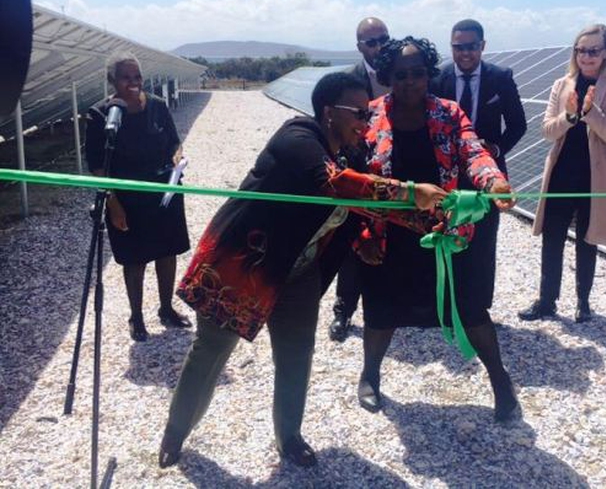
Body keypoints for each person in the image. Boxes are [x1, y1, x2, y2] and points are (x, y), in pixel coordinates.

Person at [158, 72, 446, 469]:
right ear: (328, 112)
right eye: (358, 113)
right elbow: (335, 184)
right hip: (245, 266)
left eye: (368, 113)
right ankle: (175, 434)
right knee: (211, 350)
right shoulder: (296, 138)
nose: (365, 122)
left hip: (300, 272)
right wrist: (412, 192)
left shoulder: (351, 154)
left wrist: (433, 220)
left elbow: (369, 203)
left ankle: (289, 437)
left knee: (296, 355)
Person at [356, 36, 521, 423]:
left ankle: (501, 381)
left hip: (443, 233)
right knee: (380, 311)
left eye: (417, 74)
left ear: (429, 74)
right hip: (387, 235)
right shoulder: (370, 116)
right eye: (400, 75)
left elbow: (473, 151)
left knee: (470, 309)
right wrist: (361, 233)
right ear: (387, 77)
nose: (410, 82)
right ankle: (370, 375)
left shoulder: (449, 112)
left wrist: (493, 181)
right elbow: (356, 177)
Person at [518, 24, 606, 323]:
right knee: (552, 238)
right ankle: (547, 300)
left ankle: (583, 302)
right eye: (580, 50)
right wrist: (569, 116)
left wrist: (590, 112)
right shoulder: (561, 84)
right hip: (562, 172)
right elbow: (547, 131)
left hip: (595, 177)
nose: (585, 56)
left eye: (593, 50)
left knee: (587, 240)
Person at [85, 52, 190, 342]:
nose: (133, 82)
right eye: (126, 77)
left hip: (164, 191)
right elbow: (97, 165)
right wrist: (114, 204)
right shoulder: (101, 114)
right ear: (112, 80)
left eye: (137, 76)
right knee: (135, 258)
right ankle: (137, 316)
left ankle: (166, 309)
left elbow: (173, 141)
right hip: (127, 199)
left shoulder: (157, 106)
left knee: (167, 252)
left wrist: (177, 157)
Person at [431, 18, 527, 320]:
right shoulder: (438, 79)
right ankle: (447, 305)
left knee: (484, 240)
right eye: (458, 47)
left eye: (471, 47)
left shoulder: (500, 77)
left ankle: (479, 308)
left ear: (482, 46)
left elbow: (518, 124)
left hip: (489, 175)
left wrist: (495, 150)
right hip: (448, 175)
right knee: (447, 234)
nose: (465, 53)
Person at [328, 17, 391, 342]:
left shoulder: (401, 72)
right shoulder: (347, 81)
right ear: (359, 47)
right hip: (358, 169)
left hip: (394, 171)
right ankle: (344, 310)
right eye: (371, 42)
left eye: (384, 39)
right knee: (354, 240)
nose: (379, 47)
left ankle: (392, 307)